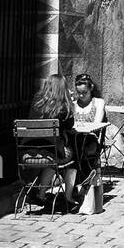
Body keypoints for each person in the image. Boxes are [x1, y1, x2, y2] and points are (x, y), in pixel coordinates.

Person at [26, 73, 77, 211]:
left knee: (51, 156)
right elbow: (70, 125)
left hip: (28, 152)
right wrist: (70, 102)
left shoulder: (37, 101)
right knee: (74, 157)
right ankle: (69, 196)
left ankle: (41, 194)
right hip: (52, 153)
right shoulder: (63, 107)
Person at [70, 74, 106, 191]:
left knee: (80, 149)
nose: (81, 95)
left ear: (91, 88)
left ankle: (80, 181)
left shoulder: (98, 102)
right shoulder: (73, 104)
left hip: (91, 139)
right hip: (75, 138)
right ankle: (76, 182)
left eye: (84, 92)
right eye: (78, 92)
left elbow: (97, 123)